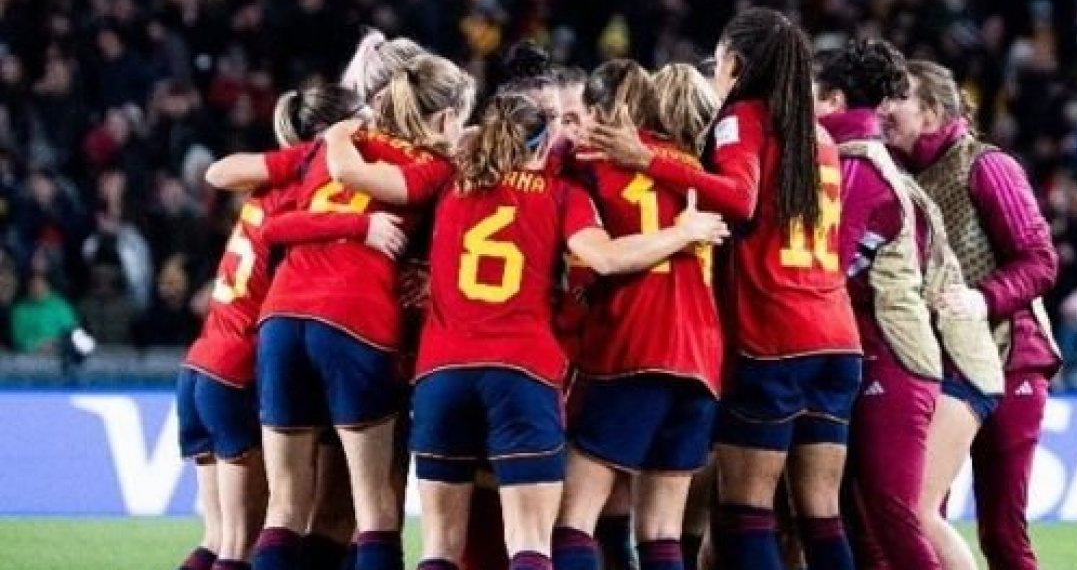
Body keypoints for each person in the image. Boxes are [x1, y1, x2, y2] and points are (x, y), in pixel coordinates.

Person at [409, 90, 728, 570]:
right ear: (542, 145)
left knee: (439, 548)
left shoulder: (450, 184)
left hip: (439, 373)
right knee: (531, 543)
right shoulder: (562, 195)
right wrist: (683, 233)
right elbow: (605, 257)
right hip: (521, 373)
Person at [588, 7, 859, 570]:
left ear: (735, 62)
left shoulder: (744, 118)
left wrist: (647, 160)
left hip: (777, 337)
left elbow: (739, 199)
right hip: (836, 339)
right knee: (820, 513)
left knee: (745, 510)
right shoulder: (817, 134)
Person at [209, 52, 475, 570]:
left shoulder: (327, 148)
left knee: (285, 509)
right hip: (357, 321)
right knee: (374, 509)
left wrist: (336, 136)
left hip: (282, 318)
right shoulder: (433, 169)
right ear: (444, 118)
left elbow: (262, 215)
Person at [179, 86, 388, 570]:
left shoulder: (268, 185)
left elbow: (220, 172)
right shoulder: (308, 189)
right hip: (239, 368)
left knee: (218, 540)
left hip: (201, 365)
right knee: (244, 543)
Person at [881, 59, 1060, 570]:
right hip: (947, 364)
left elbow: (1041, 260)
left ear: (933, 112)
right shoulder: (902, 176)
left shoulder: (986, 166)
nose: (885, 109)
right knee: (919, 512)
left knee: (1001, 532)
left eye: (899, 98)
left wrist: (982, 298)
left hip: (1013, 357)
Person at [552, 60, 724, 570]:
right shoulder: (694, 168)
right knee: (662, 532)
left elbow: (601, 254)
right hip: (701, 360)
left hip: (635, 348)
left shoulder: (591, 164)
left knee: (573, 519)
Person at [811, 39, 944, 569]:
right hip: (878, 353)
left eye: (818, 99)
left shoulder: (858, 170)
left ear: (838, 101)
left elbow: (828, 266)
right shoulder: (866, 163)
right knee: (864, 519)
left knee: (892, 513)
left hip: (893, 358)